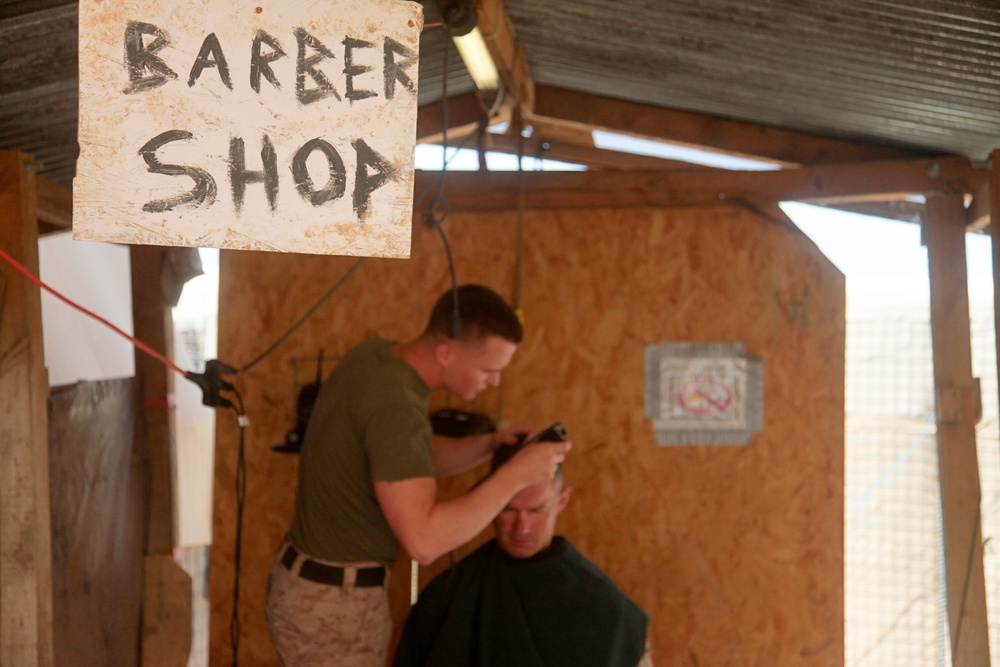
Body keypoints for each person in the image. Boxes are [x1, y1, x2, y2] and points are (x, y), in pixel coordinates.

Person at [265, 284, 571, 667]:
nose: (494, 382)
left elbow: (406, 461)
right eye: (488, 370)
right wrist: (514, 477)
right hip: (332, 607)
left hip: (309, 586)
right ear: (446, 351)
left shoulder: (376, 358)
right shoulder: (395, 407)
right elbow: (424, 541)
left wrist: (490, 445)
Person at [393, 443, 654, 667]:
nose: (522, 528)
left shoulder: (608, 609)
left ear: (561, 501)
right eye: (508, 510)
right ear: (489, 502)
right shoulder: (448, 595)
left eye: (536, 510)